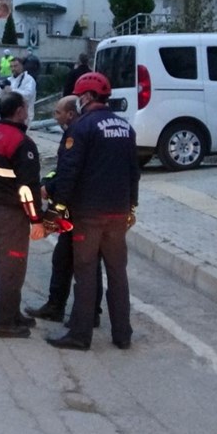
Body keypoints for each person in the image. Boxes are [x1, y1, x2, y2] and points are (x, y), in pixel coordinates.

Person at [44, 72, 140, 351]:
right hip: (118, 213)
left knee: (85, 272)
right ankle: (123, 334)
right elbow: (134, 172)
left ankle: (80, 334)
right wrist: (131, 206)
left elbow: (69, 172)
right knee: (118, 273)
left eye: (79, 97)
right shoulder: (125, 128)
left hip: (89, 214)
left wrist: (58, 208)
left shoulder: (82, 127)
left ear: (86, 97)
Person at [24, 96, 103, 326]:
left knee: (86, 263)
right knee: (63, 259)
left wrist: (53, 201)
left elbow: (71, 173)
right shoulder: (78, 131)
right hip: (76, 205)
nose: (54, 117)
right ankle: (57, 307)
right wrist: (49, 184)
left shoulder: (77, 133)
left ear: (70, 114)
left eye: (58, 112)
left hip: (80, 208)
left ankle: (89, 313)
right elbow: (63, 170)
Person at [0, 92, 46, 338]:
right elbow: (28, 188)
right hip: (11, 213)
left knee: (5, 263)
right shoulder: (21, 143)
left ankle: (12, 312)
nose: (27, 112)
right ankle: (2, 321)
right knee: (11, 268)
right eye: (26, 108)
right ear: (19, 111)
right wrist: (36, 219)